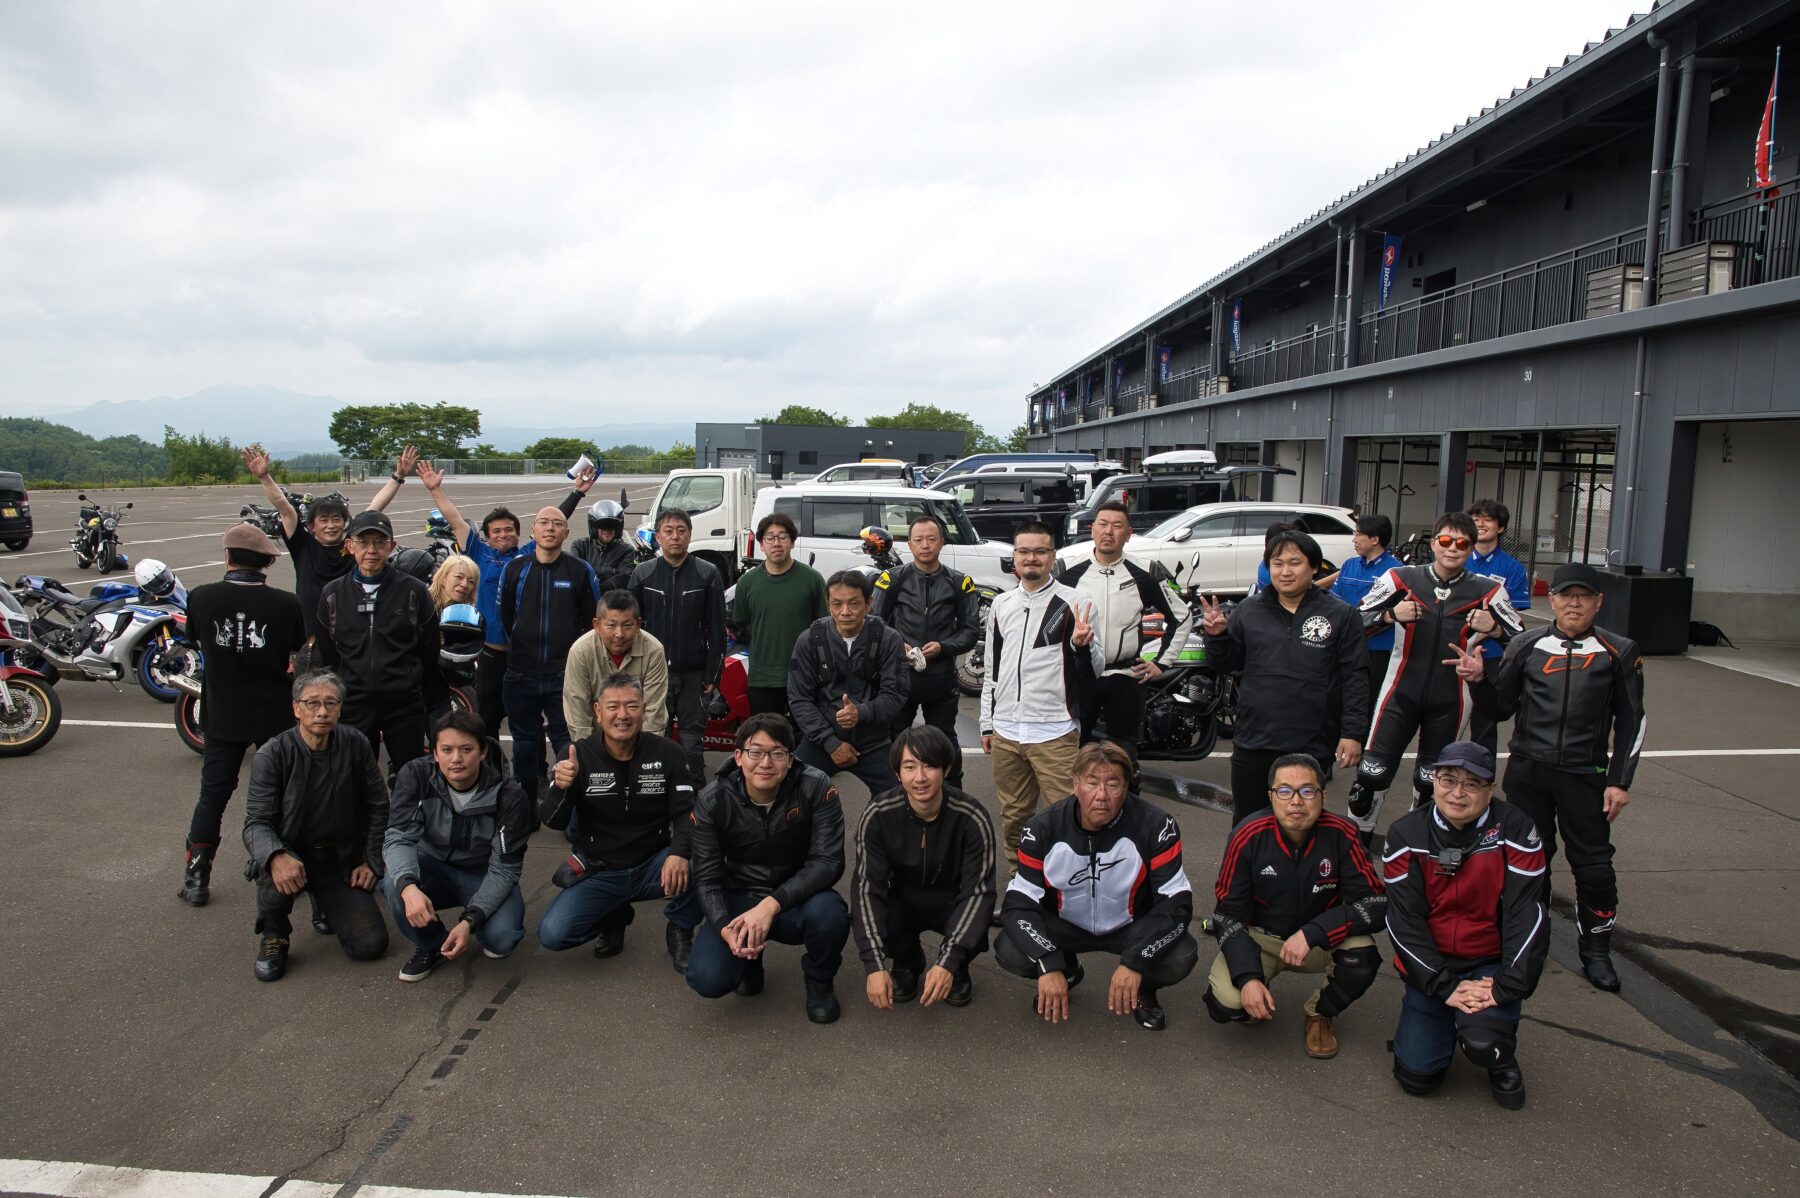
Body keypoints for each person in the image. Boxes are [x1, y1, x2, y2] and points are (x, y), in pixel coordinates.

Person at [1447, 561, 1645, 992]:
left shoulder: (1619, 650)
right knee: (1525, 862)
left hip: (1585, 776)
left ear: (1598, 602)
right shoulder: (1526, 644)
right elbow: (1500, 708)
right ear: (1551, 599)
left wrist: (1619, 781)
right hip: (1528, 774)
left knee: (1594, 869)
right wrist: (1478, 681)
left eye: (1583, 596)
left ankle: (1596, 952)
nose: (1574, 604)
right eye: (1566, 595)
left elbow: (1632, 719)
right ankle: (1526, 943)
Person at [1383, 740, 1548, 1108]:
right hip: (1433, 965)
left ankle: (1500, 1054)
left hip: (1488, 963)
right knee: (1417, 1079)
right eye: (1448, 779)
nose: (1457, 793)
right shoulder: (1406, 833)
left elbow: (1527, 914)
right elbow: (1403, 920)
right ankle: (1442, 1019)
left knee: (1484, 1044)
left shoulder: (1517, 829)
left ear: (1490, 790)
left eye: (1472, 783)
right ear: (1434, 781)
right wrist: (1443, 986)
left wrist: (1506, 986)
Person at [1346, 511, 1524, 843]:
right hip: (1399, 692)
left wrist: (1496, 629)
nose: (1452, 548)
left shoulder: (1489, 590)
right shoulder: (1400, 578)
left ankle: (1417, 849)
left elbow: (1523, 642)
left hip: (1452, 699)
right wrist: (1389, 615)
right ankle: (1356, 849)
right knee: (1370, 778)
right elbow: (1353, 623)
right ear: (1433, 543)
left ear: (1471, 548)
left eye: (1462, 543)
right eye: (1445, 540)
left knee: (1431, 783)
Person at [995, 741, 1199, 1030]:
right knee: (1010, 949)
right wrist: (1047, 962)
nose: (1101, 795)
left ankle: (1143, 988)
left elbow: (1176, 904)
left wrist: (1136, 960)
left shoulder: (1157, 826)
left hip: (1131, 926)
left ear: (1126, 787)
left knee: (1180, 955)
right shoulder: (1040, 829)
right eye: (1092, 783)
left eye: (1113, 784)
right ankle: (1066, 969)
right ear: (1075, 784)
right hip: (1065, 926)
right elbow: (1018, 905)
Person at [1204, 754, 1386, 1059]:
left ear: (1323, 796)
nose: (1296, 801)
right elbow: (1227, 915)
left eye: (1307, 791)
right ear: (1271, 796)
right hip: (1261, 939)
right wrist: (1248, 978)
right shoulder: (1246, 835)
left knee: (1362, 957)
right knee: (1227, 1004)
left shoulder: (1343, 833)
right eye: (1285, 791)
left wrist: (1315, 932)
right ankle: (1258, 984)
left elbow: (1375, 903)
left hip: (1317, 941)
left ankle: (1320, 1013)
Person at [685, 714, 850, 1024]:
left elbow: (828, 862)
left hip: (796, 897)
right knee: (707, 978)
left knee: (831, 914)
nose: (765, 762)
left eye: (777, 753)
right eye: (755, 752)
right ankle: (749, 960)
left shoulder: (816, 786)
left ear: (791, 758)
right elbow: (706, 878)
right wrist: (725, 929)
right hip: (740, 897)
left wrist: (771, 905)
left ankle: (819, 982)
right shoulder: (712, 799)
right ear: (738, 757)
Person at [1198, 527, 1370, 825]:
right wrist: (1216, 637)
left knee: (1302, 822)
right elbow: (1226, 664)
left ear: (1314, 567)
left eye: (1294, 562)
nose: (1285, 571)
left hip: (1313, 741)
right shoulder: (1247, 611)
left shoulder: (1341, 615)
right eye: (1277, 564)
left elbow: (1355, 677)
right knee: (1248, 823)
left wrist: (1353, 734)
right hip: (1255, 740)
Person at [178, 524, 308, 907]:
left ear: (228, 556)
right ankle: (282, 866)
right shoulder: (288, 604)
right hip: (274, 712)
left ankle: (197, 878)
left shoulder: (201, 597)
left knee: (213, 796)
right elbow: (296, 648)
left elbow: (195, 639)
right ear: (267, 562)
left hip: (222, 713)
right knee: (284, 794)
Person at [537, 674, 703, 970]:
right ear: (598, 712)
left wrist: (678, 853)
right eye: (613, 706)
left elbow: (686, 812)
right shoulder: (577, 754)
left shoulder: (669, 752)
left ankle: (680, 929)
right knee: (553, 934)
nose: (623, 715)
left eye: (632, 706)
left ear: (644, 710)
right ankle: (613, 917)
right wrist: (562, 787)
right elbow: (553, 820)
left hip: (654, 863)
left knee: (706, 861)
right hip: (602, 869)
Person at [415, 458, 589, 738]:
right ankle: (490, 761)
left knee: (530, 721)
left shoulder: (527, 556)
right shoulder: (479, 553)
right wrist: (435, 490)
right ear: (487, 536)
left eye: (509, 529)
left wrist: (577, 493)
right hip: (491, 654)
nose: (503, 534)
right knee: (487, 718)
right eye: (496, 531)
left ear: (520, 534)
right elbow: (455, 520)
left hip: (525, 656)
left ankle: (535, 763)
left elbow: (552, 524)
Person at [242, 671, 390, 982]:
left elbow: (378, 805)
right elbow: (256, 823)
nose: (322, 712)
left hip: (339, 857)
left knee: (369, 944)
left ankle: (322, 899)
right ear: (296, 708)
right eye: (312, 703)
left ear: (340, 708)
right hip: (292, 852)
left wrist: (371, 860)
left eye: (330, 703)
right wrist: (275, 856)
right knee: (275, 874)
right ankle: (274, 934)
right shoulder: (273, 753)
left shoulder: (355, 743)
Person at [980, 522, 1101, 873]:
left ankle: (1071, 882)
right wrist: (987, 723)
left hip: (1055, 730)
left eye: (1040, 551)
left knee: (1068, 814)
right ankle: (1022, 880)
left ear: (1052, 556)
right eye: (1024, 551)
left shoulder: (1076, 603)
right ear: (1014, 556)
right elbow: (992, 670)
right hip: (1006, 731)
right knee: (1014, 816)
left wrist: (1081, 645)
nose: (1031, 558)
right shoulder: (1001, 604)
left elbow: (1096, 667)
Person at [852, 726, 997, 1011]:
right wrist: (874, 964)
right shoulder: (878, 814)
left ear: (946, 769)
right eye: (909, 767)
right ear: (897, 773)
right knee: (881, 909)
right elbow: (866, 888)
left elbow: (979, 892)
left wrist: (949, 961)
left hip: (952, 898)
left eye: (930, 766)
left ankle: (956, 967)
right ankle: (906, 961)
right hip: (902, 898)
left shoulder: (972, 816)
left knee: (976, 913)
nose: (919, 777)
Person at [382, 710, 531, 983]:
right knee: (394, 884)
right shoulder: (415, 775)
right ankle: (432, 944)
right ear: (435, 753)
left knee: (501, 940)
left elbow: (505, 868)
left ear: (483, 752)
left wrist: (469, 921)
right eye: (447, 750)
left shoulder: (509, 794)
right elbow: (398, 838)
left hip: (482, 872)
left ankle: (474, 926)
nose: (456, 759)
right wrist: (408, 886)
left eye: (466, 749)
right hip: (432, 865)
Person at [1055, 501, 1191, 763]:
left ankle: (1126, 788)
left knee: (1124, 754)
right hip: (1079, 676)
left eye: (1117, 526)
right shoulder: (1067, 571)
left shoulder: (1145, 572)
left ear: (1128, 534)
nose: (1109, 531)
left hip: (1126, 676)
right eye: (1103, 524)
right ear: (1092, 529)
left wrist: (1162, 663)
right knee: (1073, 750)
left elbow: (1182, 617)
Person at [314, 510, 444, 780]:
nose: (371, 550)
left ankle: (407, 809)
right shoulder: (332, 594)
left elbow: (428, 650)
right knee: (354, 777)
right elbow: (328, 653)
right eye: (363, 542)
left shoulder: (414, 591)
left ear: (392, 546)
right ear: (350, 546)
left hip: (404, 704)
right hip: (353, 704)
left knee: (411, 776)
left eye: (380, 542)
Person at [240, 444, 414, 644]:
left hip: (351, 636)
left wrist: (398, 476)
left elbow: (375, 507)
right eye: (323, 520)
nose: (331, 526)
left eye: (336, 519)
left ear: (345, 523)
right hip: (311, 639)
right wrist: (264, 477)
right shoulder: (302, 545)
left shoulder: (352, 546)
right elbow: (284, 507)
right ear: (312, 526)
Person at [870, 515, 982, 787]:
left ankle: (953, 793)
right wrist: (897, 644)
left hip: (940, 679)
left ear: (942, 542)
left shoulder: (960, 583)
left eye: (931, 539)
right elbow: (874, 623)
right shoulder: (891, 579)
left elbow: (970, 631)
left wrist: (943, 647)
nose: (925, 545)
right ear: (909, 544)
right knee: (895, 739)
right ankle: (893, 794)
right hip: (899, 678)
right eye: (918, 540)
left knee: (944, 739)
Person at [498, 506, 600, 800]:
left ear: (566, 532)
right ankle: (526, 807)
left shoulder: (580, 571)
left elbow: (593, 622)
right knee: (524, 745)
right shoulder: (515, 569)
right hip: (521, 674)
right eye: (543, 522)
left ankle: (566, 806)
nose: (550, 528)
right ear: (533, 530)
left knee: (567, 744)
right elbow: (506, 617)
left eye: (557, 523)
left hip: (564, 676)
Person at [787, 570, 909, 800]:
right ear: (828, 604)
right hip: (821, 741)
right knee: (789, 794)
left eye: (854, 603)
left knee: (899, 800)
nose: (845, 612)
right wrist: (831, 743)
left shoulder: (889, 639)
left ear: (869, 603)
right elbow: (799, 698)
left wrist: (861, 712)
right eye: (837, 604)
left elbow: (896, 694)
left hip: (874, 741)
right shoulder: (809, 640)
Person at [630, 507, 727, 782]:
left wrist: (713, 674)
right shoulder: (643, 574)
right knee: (653, 735)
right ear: (658, 536)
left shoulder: (707, 574)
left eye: (681, 531)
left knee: (691, 739)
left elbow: (717, 628)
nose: (675, 537)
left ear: (690, 535)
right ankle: (654, 788)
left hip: (693, 673)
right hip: (653, 673)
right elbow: (631, 627)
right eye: (669, 531)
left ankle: (695, 793)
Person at [733, 512, 828, 721]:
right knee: (767, 734)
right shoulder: (747, 582)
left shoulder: (812, 580)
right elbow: (742, 625)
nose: (776, 543)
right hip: (762, 677)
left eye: (783, 536)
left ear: (792, 542)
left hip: (805, 675)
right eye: (770, 538)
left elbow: (824, 627)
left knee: (807, 734)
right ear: (761, 544)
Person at [1464, 499, 1535, 755]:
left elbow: (1513, 614)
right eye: (1475, 519)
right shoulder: (1457, 558)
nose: (1481, 524)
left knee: (1484, 721)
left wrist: (1489, 629)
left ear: (1501, 527)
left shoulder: (1512, 567)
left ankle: (1482, 773)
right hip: (1454, 649)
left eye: (1488, 519)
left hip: (1491, 654)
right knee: (1446, 716)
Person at [563, 590, 670, 741]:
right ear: (596, 625)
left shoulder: (653, 650)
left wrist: (646, 751)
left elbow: (654, 713)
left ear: (638, 624)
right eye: (611, 625)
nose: (619, 634)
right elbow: (578, 713)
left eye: (627, 625)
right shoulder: (580, 651)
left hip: (638, 739)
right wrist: (587, 750)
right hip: (596, 739)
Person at [1322, 514, 1403, 690]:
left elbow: (1390, 614)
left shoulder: (1396, 571)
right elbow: (1332, 601)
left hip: (1376, 648)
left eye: (1358, 534)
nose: (1354, 539)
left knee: (1370, 697)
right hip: (1344, 645)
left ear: (1374, 539)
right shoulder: (1349, 565)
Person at [568, 496, 639, 594]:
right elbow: (575, 573)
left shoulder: (627, 550)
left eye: (611, 526)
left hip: (611, 599)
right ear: (594, 528)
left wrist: (594, 582)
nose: (607, 530)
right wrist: (612, 571)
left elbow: (623, 579)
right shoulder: (580, 546)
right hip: (583, 598)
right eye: (602, 526)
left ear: (618, 528)